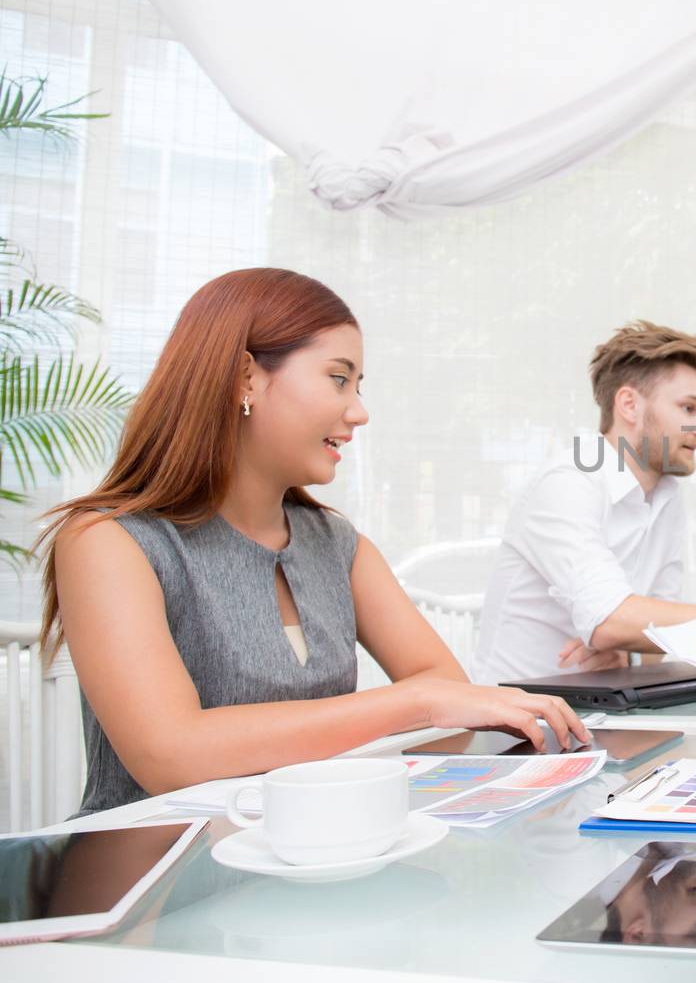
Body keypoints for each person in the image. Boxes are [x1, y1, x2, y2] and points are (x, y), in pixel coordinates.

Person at [39, 268, 589, 815]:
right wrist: (416, 702)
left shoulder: (337, 545)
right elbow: (169, 753)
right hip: (152, 879)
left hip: (313, 857)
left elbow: (447, 701)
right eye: (338, 378)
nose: (359, 411)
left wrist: (428, 702)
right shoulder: (109, 542)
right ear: (245, 379)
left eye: (358, 384)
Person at [471, 321, 696, 684]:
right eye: (689, 409)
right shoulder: (568, 481)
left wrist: (630, 645)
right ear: (629, 405)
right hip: (519, 718)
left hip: (606, 708)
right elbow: (609, 620)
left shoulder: (668, 494)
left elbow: (658, 637)